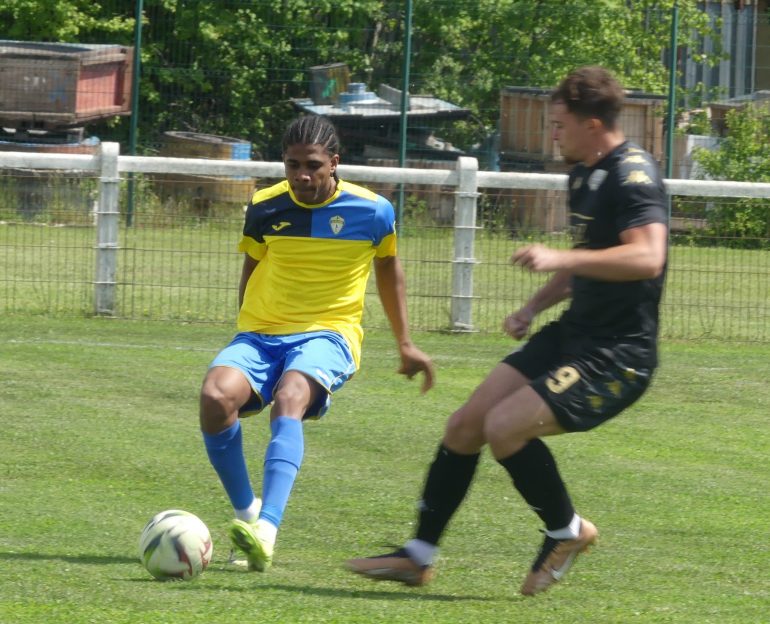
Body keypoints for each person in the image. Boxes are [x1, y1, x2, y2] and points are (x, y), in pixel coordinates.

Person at [346, 65, 668, 596]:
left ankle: (567, 531)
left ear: (592, 124)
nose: (552, 134)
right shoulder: (583, 174)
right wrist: (532, 307)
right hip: (573, 334)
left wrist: (559, 256)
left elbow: (648, 256)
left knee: (505, 427)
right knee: (464, 426)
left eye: (559, 124)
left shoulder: (634, 174)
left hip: (618, 354)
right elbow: (589, 261)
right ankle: (418, 556)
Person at [200, 115, 435, 572]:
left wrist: (405, 343)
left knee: (290, 397)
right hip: (261, 333)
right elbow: (251, 267)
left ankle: (267, 531)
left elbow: (390, 272)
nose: (302, 176)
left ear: (334, 163)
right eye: (293, 165)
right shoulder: (264, 206)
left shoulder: (373, 212)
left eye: (312, 165)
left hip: (329, 332)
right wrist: (244, 332)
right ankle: (247, 513)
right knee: (214, 397)